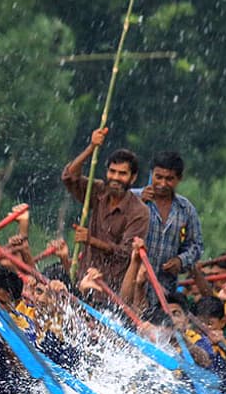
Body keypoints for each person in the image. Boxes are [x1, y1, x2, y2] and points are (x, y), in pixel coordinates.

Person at [61, 126, 149, 292]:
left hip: (111, 289)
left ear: (133, 177)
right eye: (112, 172)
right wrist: (91, 147)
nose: (115, 178)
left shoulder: (139, 211)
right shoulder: (99, 191)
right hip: (84, 280)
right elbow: (69, 177)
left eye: (122, 174)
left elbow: (125, 253)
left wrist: (91, 240)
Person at [132, 151, 204, 295]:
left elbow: (196, 246)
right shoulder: (133, 198)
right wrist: (139, 204)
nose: (162, 184)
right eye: (158, 177)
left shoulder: (186, 209)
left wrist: (181, 260)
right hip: (132, 284)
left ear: (179, 179)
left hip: (166, 290)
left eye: (169, 179)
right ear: (152, 174)